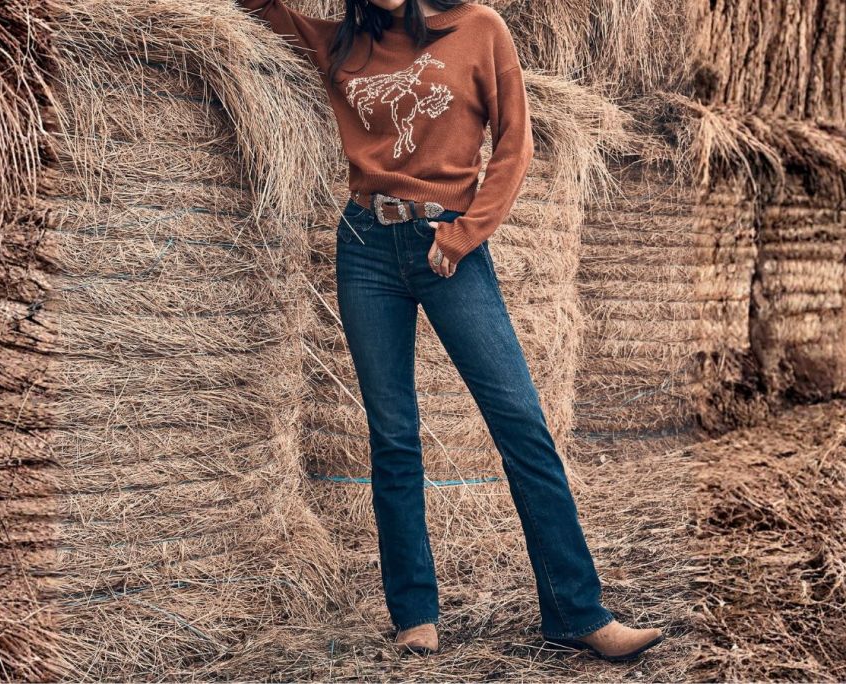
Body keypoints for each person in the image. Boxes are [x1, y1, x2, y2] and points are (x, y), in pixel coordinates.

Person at [238, 0, 665, 661]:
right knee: (393, 435)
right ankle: (414, 614)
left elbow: (515, 144)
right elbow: (255, 9)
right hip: (365, 247)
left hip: (450, 248)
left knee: (522, 424)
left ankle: (577, 611)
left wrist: (466, 234)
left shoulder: (478, 29)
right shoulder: (342, 44)